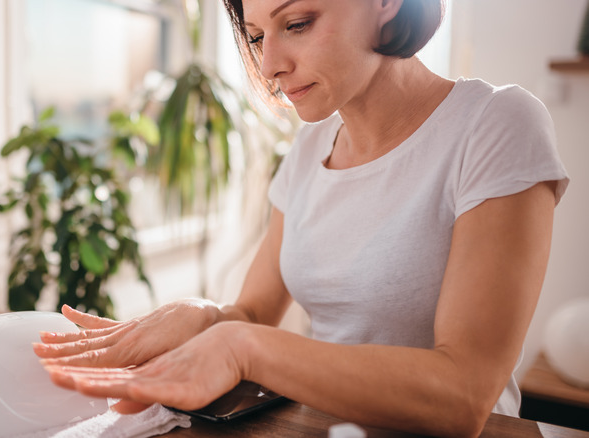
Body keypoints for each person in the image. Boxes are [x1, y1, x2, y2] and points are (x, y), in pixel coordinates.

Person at [33, 0, 569, 436]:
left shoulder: (495, 125)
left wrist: (244, 348)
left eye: (297, 23)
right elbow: (253, 311)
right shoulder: (309, 148)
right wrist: (202, 316)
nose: (267, 66)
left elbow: (464, 394)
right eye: (259, 35)